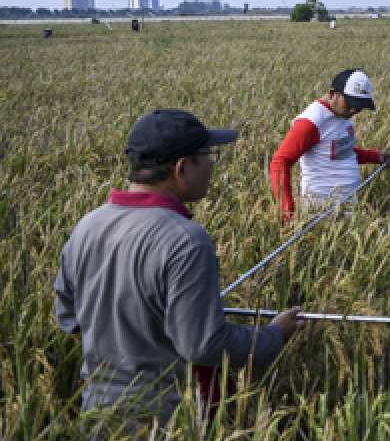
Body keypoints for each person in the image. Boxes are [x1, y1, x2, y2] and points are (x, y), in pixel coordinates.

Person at [54, 110, 303, 422]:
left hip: (96, 413)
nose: (213, 165)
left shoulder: (87, 225)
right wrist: (273, 335)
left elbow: (68, 316)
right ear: (182, 168)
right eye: (208, 155)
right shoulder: (185, 240)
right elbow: (203, 345)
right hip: (162, 424)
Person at [270, 69, 390, 222]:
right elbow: (280, 162)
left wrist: (376, 156)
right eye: (351, 104)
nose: (354, 110)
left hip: (348, 207)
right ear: (332, 93)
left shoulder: (343, 113)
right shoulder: (311, 122)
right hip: (321, 212)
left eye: (359, 106)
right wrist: (287, 213)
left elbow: (340, 150)